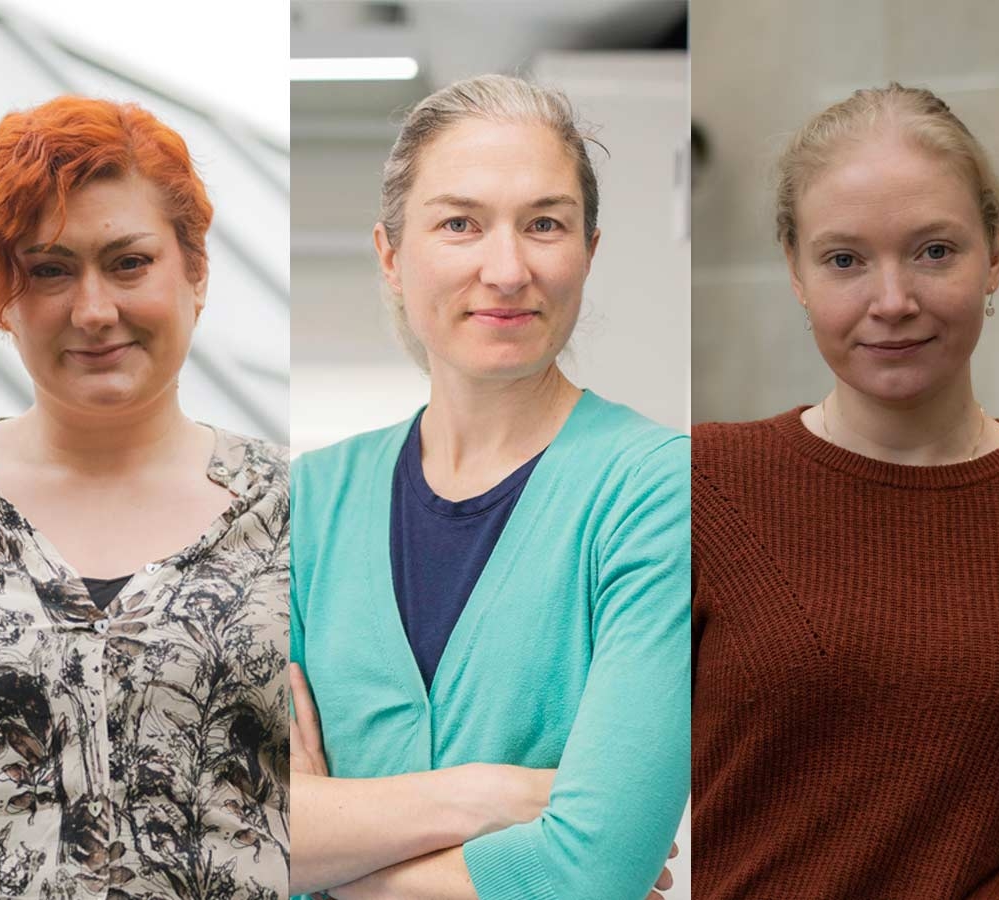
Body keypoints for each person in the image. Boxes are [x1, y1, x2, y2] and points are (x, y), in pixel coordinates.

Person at [289, 74, 691, 900]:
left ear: (589, 251)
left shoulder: (658, 494)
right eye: (460, 224)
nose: (507, 269)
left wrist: (333, 867)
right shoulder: (306, 507)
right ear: (392, 256)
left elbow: (591, 868)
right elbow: (226, 832)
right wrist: (491, 800)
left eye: (545, 224)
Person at [692, 83, 999, 898]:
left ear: (997, 255)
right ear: (797, 274)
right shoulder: (698, 486)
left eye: (934, 250)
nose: (893, 301)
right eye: (845, 260)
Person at [0, 97, 289, 899]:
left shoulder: (303, 513)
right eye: (50, 270)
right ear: (7, 292)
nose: (94, 310)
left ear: (196, 271)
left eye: (129, 262)